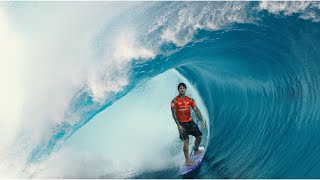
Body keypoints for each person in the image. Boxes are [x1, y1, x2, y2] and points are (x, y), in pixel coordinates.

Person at [171, 82, 207, 166]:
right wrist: (178, 125)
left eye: (183, 88)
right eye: (180, 88)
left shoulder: (190, 100)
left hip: (190, 122)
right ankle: (187, 160)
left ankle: (196, 149)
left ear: (185, 89)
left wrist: (202, 120)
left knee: (199, 136)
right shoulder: (174, 101)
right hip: (181, 123)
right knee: (186, 141)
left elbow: (196, 110)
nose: (182, 89)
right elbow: (173, 114)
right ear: (178, 90)